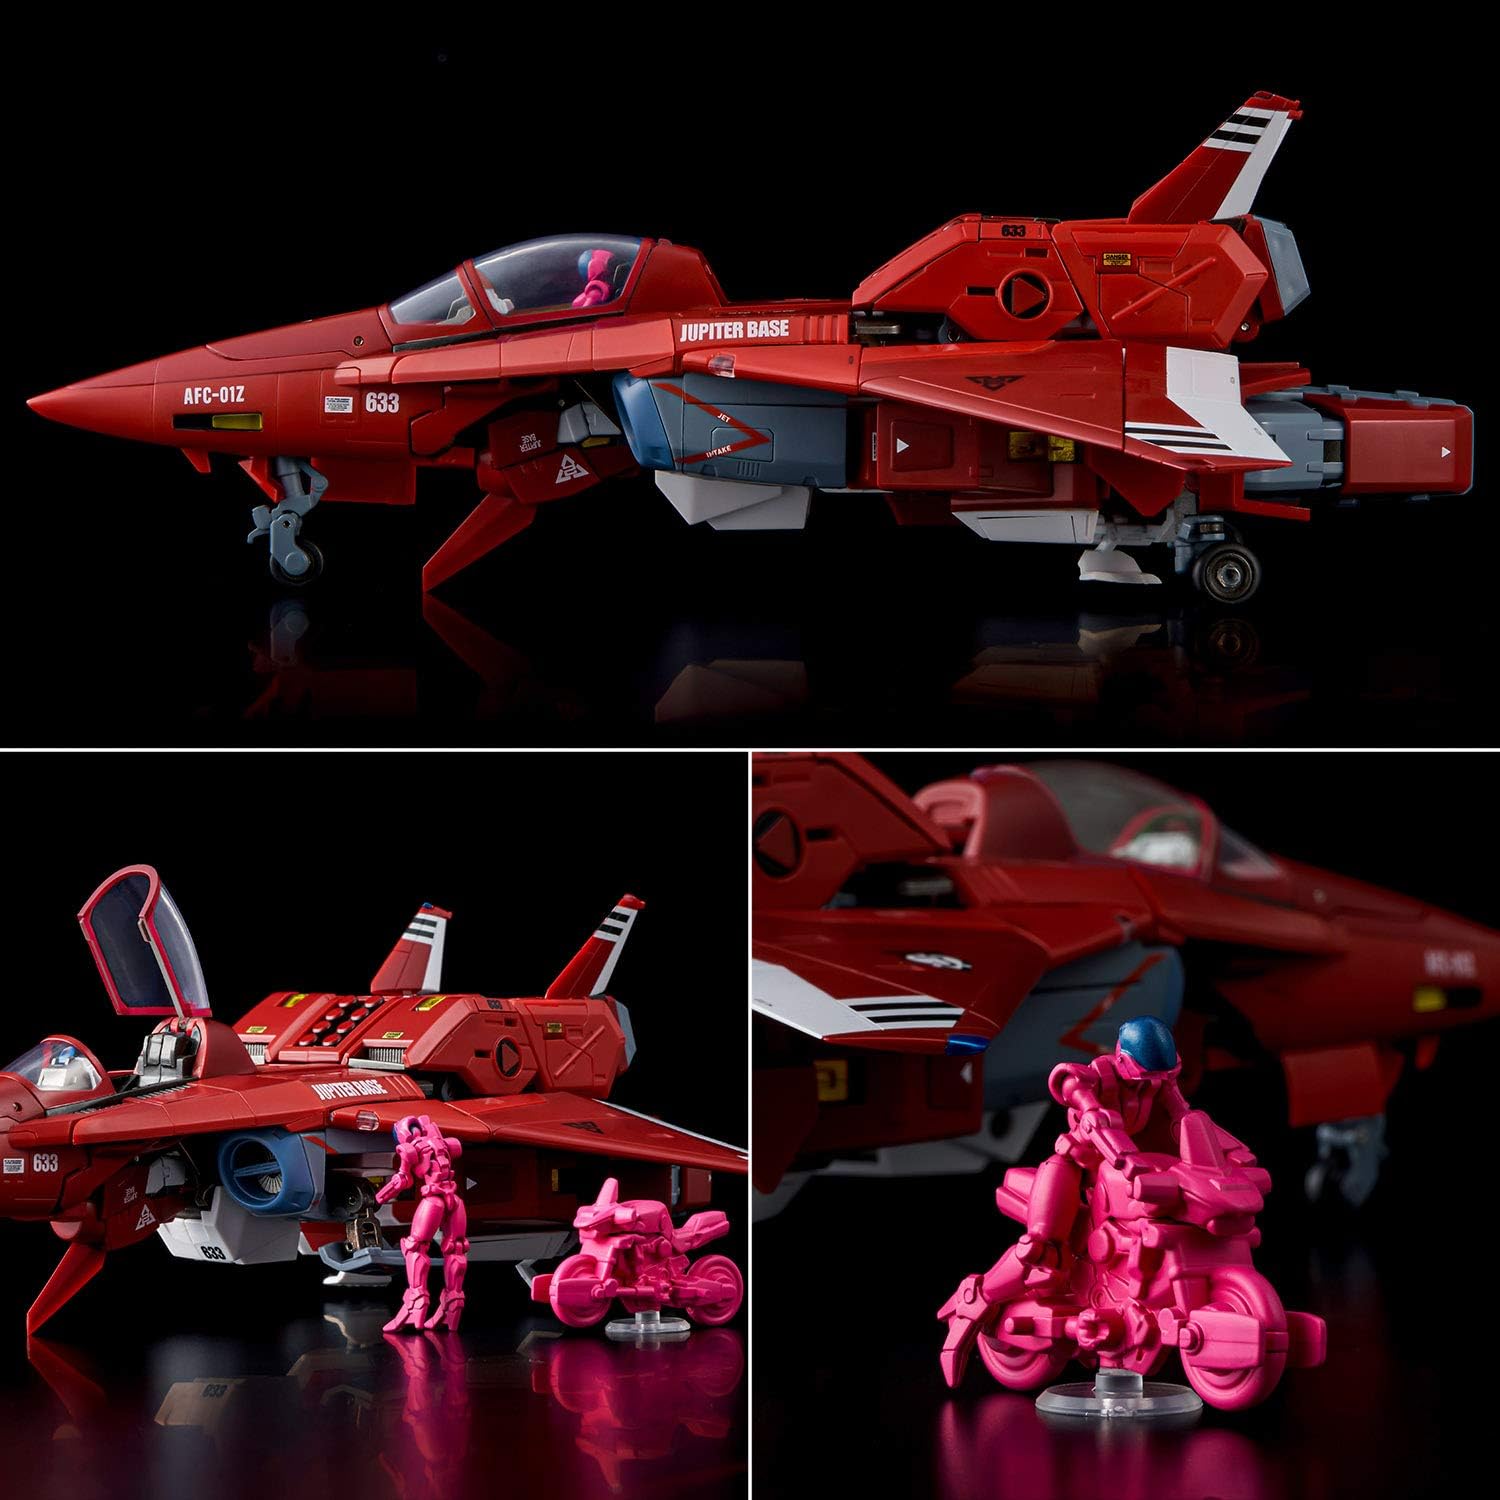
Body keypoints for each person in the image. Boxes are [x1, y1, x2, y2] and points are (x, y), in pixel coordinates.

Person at [937, 1016, 1257, 1386]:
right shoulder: (1092, 1080)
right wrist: (1126, 1159)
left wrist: (1233, 1156)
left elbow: (1183, 1118)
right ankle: (977, 1297)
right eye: (1148, 1077)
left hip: (1128, 1171)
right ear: (1124, 1060)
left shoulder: (1158, 1080)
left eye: (1163, 1077)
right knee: (1043, 1249)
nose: (1155, 1083)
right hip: (1076, 1167)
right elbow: (1094, 1119)